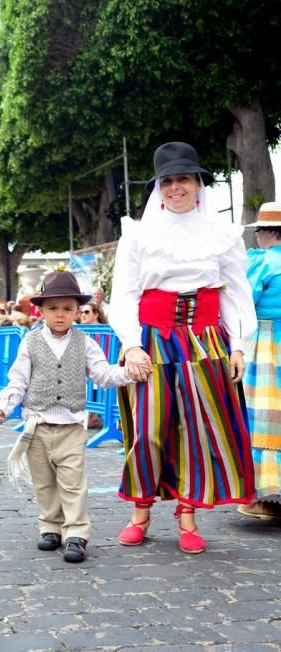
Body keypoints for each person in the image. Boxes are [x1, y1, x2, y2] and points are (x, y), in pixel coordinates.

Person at [108, 142, 258, 554]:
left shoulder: (222, 234)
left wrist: (239, 345)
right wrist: (132, 345)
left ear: (198, 185)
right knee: (150, 428)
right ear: (160, 186)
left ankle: (188, 515)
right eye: (168, 180)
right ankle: (140, 511)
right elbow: (124, 294)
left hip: (207, 338)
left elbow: (236, 294)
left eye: (184, 179)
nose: (176, 187)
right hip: (154, 338)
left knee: (199, 427)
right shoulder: (138, 234)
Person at [0, 270, 134, 563]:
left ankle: (76, 533)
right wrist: (4, 405)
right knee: (44, 482)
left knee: (72, 481)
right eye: (53, 308)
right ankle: (50, 527)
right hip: (37, 426)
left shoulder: (85, 343)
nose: (60, 314)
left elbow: (103, 373)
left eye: (67, 309)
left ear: (78, 312)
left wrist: (129, 372)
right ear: (40, 310)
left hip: (71, 426)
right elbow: (18, 380)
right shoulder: (29, 342)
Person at [237, 202, 281, 520]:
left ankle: (265, 497)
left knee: (264, 415)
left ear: (266, 232)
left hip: (266, 343)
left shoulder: (263, 262)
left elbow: (244, 301)